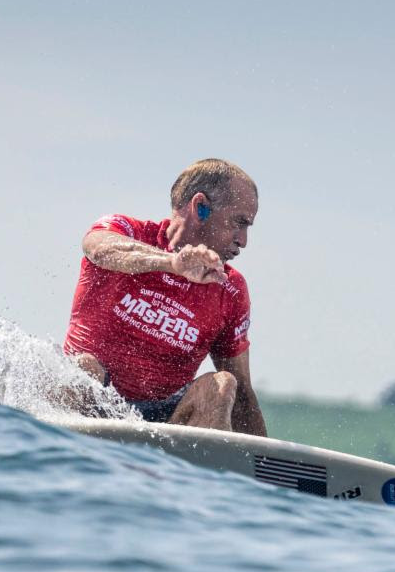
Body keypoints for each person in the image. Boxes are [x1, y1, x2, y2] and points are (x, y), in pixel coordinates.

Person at [64, 158, 267, 436]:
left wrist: (263, 471)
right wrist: (173, 263)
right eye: (238, 223)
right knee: (83, 369)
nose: (243, 240)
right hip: (91, 404)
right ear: (200, 207)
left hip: (164, 421)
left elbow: (243, 394)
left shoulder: (230, 288)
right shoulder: (125, 230)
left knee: (223, 386)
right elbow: (97, 248)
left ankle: (203, 476)